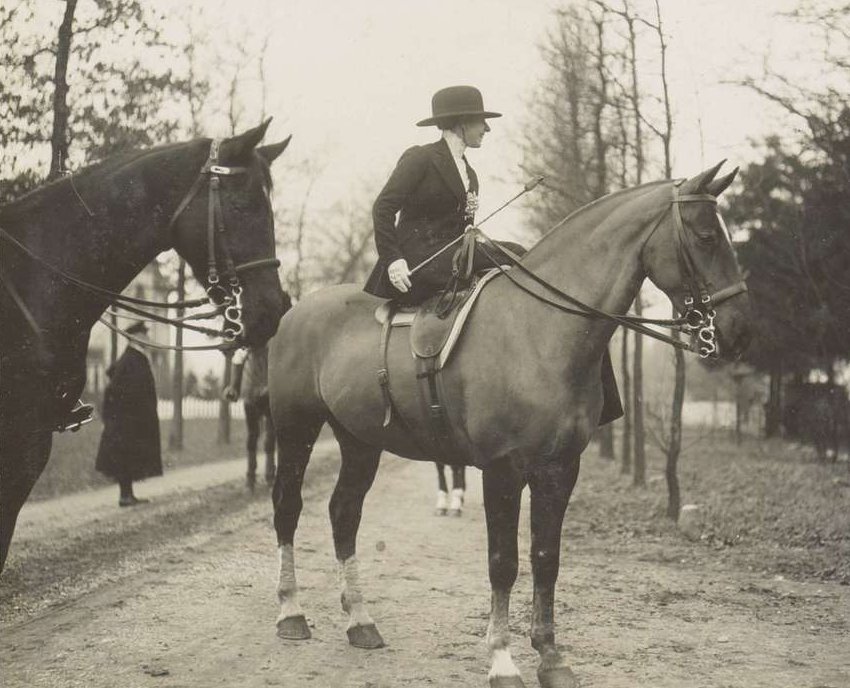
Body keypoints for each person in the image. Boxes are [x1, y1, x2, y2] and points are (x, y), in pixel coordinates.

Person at [364, 85, 524, 305]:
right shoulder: (421, 158)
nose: (487, 129)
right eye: (481, 121)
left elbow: (462, 231)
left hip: (452, 259)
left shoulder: (471, 175)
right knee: (511, 254)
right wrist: (393, 259)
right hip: (417, 262)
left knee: (516, 253)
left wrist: (469, 228)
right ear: (462, 123)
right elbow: (382, 208)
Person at [95, 321, 162, 506]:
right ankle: (125, 496)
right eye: (144, 335)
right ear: (136, 337)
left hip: (131, 419)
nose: (147, 338)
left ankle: (127, 495)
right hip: (128, 420)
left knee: (129, 456)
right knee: (126, 456)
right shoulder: (131, 359)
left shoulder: (135, 357)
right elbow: (115, 390)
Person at [223, 344, 275, 490]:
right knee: (253, 435)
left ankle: (270, 476)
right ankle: (250, 476)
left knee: (271, 437)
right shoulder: (245, 349)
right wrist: (235, 387)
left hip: (270, 395)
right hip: (251, 396)